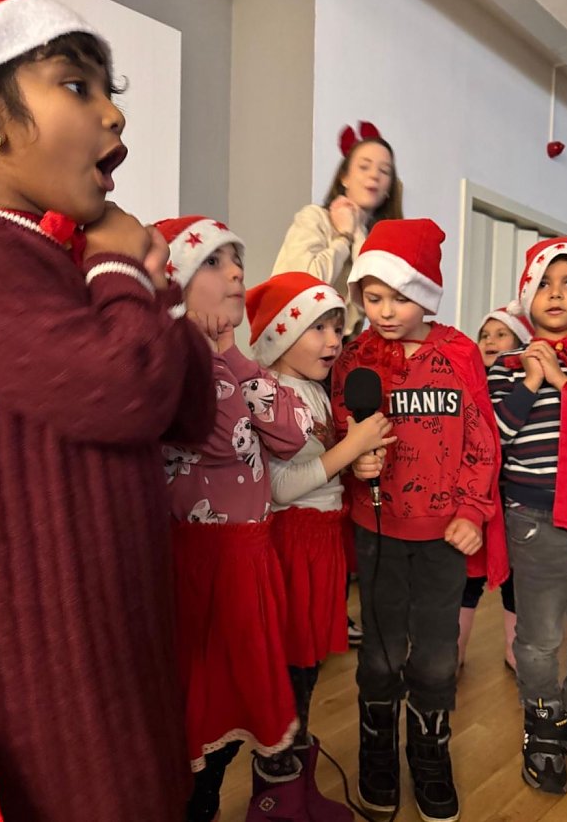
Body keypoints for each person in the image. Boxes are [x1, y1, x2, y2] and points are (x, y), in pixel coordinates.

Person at [0, 0, 215, 821]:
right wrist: (119, 270)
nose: (113, 110)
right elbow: (122, 394)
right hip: (52, 669)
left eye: (106, 87)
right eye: (75, 86)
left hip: (114, 637)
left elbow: (187, 409)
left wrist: (146, 281)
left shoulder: (62, 258)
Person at [331, 219, 507, 822]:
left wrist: (472, 510)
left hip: (443, 535)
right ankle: (376, 745)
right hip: (376, 529)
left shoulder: (458, 352)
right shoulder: (355, 358)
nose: (384, 312)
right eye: (372, 297)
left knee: (435, 654)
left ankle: (429, 751)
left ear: (427, 293)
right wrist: (356, 462)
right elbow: (339, 431)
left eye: (400, 298)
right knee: (379, 651)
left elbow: (483, 438)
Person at [157, 217, 315, 822]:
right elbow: (212, 436)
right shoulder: (168, 359)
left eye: (237, 262)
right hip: (199, 560)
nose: (238, 275)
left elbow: (294, 435)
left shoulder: (235, 363)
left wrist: (234, 356)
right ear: (177, 279)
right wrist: (212, 359)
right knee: (193, 712)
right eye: (217, 263)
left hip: (247, 556)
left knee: (229, 708)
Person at [246, 272, 396, 822]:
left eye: (338, 327)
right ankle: (276, 795)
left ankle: (298, 783)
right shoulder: (267, 392)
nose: (335, 341)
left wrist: (359, 461)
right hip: (289, 545)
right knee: (287, 671)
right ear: (282, 334)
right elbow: (281, 485)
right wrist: (350, 447)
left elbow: (321, 471)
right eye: (319, 328)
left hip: (321, 542)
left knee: (306, 668)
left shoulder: (317, 390)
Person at [488, 237, 567, 795]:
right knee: (538, 636)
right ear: (526, 296)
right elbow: (495, 441)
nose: (556, 293)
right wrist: (534, 382)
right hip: (535, 515)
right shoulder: (504, 368)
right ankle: (543, 719)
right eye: (544, 283)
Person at [272, 121, 403, 338]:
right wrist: (343, 238)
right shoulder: (314, 218)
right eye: (364, 166)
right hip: (296, 346)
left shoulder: (376, 242)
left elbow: (381, 310)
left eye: (384, 171)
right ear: (344, 177)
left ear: (389, 188)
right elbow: (301, 288)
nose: (374, 175)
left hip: (344, 356)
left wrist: (358, 235)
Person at [458, 308, 533, 673]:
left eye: (501, 334)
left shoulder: (525, 385)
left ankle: (513, 649)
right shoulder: (469, 381)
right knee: (466, 574)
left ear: (520, 343)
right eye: (485, 334)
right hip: (473, 494)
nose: (489, 340)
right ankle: (453, 650)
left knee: (514, 577)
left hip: (511, 494)